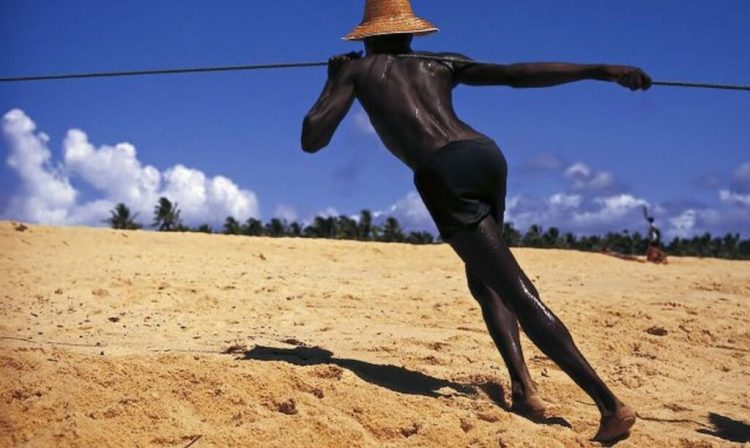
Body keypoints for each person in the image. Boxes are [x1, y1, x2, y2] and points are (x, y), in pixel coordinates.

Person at [301, 0, 651, 441]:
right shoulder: (440, 63)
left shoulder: (356, 72)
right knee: (484, 281)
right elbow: (515, 75)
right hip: (484, 155)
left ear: (366, 36)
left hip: (442, 173)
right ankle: (525, 390)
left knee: (515, 290)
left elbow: (312, 138)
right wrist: (599, 70)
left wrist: (333, 81)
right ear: (410, 35)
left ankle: (609, 404)